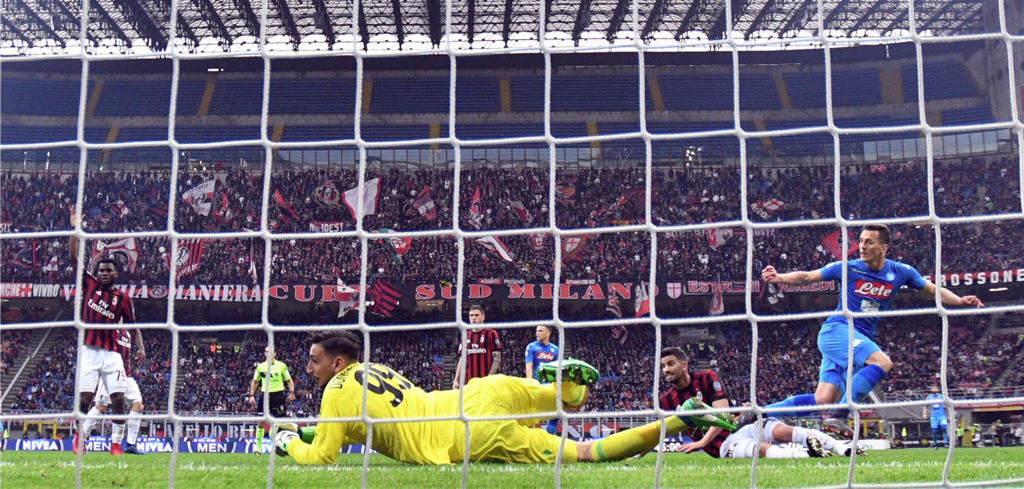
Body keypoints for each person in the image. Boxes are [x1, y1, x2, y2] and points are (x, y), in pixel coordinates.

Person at [275, 331, 735, 465]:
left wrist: (289, 442)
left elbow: (323, 457)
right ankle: (566, 384)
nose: (308, 368)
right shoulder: (375, 369)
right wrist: (305, 430)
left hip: (464, 434)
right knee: (563, 403)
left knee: (586, 452)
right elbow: (352, 430)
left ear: (337, 363)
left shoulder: (334, 392)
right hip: (479, 391)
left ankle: (680, 420)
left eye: (314, 361)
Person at [760, 225, 982, 419]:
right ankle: (840, 416)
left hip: (857, 337)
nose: (862, 246)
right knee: (882, 362)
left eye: (869, 242)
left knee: (823, 399)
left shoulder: (901, 272)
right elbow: (808, 277)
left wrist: (960, 301)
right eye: (861, 241)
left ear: (884, 247)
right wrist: (780, 278)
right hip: (837, 330)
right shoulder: (848, 267)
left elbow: (933, 290)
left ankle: (760, 413)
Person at [659, 347, 853, 459]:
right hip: (722, 445)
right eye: (663, 366)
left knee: (784, 431)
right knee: (760, 449)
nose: (666, 369)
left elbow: (722, 413)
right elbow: (661, 430)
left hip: (741, 425)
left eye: (670, 363)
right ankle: (806, 454)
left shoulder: (707, 377)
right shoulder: (666, 401)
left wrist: (702, 441)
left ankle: (843, 449)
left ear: (684, 365)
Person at [69, 215, 145, 456]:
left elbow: (133, 326)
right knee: (85, 400)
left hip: (112, 355)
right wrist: (75, 229)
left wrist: (140, 346)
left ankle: (116, 445)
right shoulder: (89, 285)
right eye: (101, 270)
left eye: (108, 270)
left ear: (115, 273)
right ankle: (78, 438)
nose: (103, 273)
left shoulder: (123, 298)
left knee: (119, 399)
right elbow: (73, 259)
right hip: (89, 351)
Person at [81, 329, 145, 454]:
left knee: (138, 406)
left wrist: (141, 348)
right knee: (100, 406)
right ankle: (81, 440)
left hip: (126, 375)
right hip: (110, 374)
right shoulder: (108, 330)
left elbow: (136, 330)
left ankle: (130, 445)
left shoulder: (126, 333)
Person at [248, 347, 296, 454]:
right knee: (261, 422)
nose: (268, 353)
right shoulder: (260, 367)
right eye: (266, 351)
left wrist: (292, 393)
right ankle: (257, 449)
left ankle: (282, 447)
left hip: (278, 396)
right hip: (265, 396)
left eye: (271, 352)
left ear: (275, 354)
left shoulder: (281, 366)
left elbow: (289, 380)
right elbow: (255, 381)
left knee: (281, 423)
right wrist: (251, 395)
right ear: (264, 354)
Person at [452, 304, 501, 389]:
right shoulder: (465, 335)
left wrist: (490, 377)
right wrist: (456, 380)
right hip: (469, 383)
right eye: (471, 315)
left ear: (483, 317)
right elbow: (462, 360)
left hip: (487, 383)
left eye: (476, 315)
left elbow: (497, 358)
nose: (473, 318)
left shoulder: (491, 334)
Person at [524, 325, 560, 435]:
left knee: (558, 408)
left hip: (549, 385)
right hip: (536, 383)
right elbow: (529, 365)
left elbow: (557, 369)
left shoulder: (555, 349)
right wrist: (529, 382)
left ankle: (550, 433)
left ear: (548, 333)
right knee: (529, 409)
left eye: (540, 331)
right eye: (537, 331)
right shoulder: (531, 347)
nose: (537, 333)